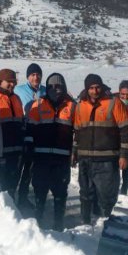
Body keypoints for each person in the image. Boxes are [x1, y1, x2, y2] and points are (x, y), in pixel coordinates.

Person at [73, 74, 128, 225]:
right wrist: (74, 153)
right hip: (85, 159)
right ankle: (85, 223)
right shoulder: (80, 105)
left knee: (106, 195)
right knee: (85, 194)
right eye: (91, 88)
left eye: (97, 87)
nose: (95, 90)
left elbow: (126, 130)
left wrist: (124, 155)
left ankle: (103, 225)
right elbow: (77, 132)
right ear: (87, 89)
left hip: (107, 159)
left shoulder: (113, 103)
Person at [26, 73, 76, 231]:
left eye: (59, 86)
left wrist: (75, 150)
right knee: (40, 192)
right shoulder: (38, 104)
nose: (56, 89)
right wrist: (28, 148)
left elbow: (78, 131)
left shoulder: (72, 106)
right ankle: (38, 223)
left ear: (64, 87)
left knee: (60, 192)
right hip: (41, 158)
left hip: (62, 159)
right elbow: (30, 128)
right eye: (52, 86)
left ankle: (58, 225)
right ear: (47, 88)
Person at [0, 69, 24, 198]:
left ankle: (10, 213)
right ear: (0, 81)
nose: (12, 84)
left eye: (14, 82)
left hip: (15, 151)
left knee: (10, 187)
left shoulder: (17, 99)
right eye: (9, 81)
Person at [14, 63, 46, 209]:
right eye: (33, 74)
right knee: (17, 166)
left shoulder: (45, 91)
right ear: (28, 77)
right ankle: (8, 196)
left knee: (30, 168)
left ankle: (22, 197)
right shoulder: (18, 90)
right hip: (22, 132)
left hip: (39, 134)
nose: (36, 77)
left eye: (38, 74)